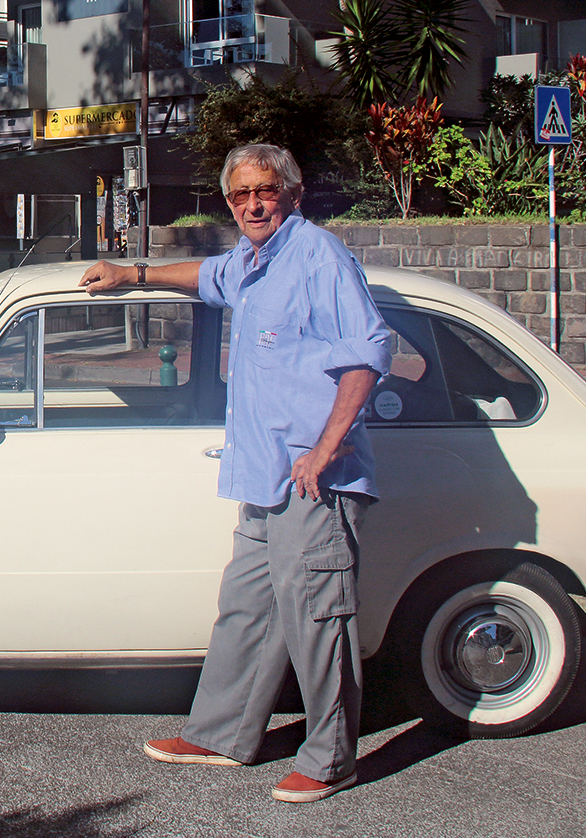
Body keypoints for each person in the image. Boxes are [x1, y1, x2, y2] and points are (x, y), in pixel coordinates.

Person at [79, 142, 391, 804]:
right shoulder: (251, 263)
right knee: (247, 609)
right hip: (261, 477)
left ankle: (333, 758)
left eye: (266, 190)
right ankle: (221, 734)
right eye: (240, 194)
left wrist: (327, 447)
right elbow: (202, 275)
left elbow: (366, 352)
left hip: (313, 480)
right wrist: (131, 273)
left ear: (293, 192)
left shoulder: (318, 257)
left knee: (317, 617)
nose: (253, 203)